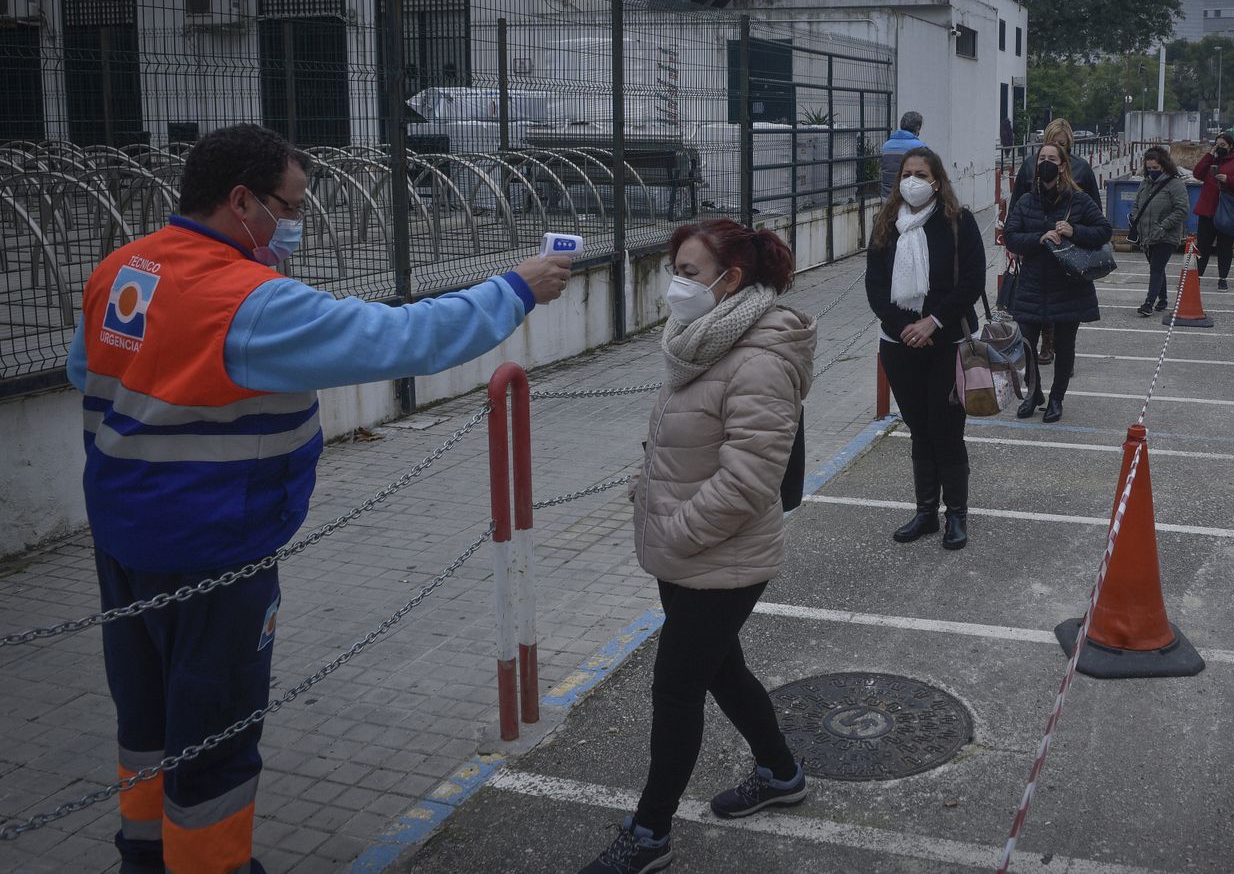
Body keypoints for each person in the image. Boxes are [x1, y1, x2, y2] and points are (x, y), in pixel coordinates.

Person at [65, 124, 575, 874]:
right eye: (292, 205)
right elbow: (406, 339)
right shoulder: (249, 301)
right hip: (215, 556)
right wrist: (517, 289)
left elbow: (89, 376)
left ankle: (142, 859)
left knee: (146, 721)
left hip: (121, 541)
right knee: (216, 738)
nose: (299, 222)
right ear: (242, 202)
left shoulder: (120, 268)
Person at [585, 219, 816, 874]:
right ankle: (781, 772)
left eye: (687, 272)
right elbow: (681, 439)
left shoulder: (759, 360)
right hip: (688, 546)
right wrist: (646, 488)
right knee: (722, 669)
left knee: (677, 687)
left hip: (722, 555)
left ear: (730, 279)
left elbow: (748, 481)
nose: (675, 284)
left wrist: (676, 529)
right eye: (674, 270)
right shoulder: (703, 342)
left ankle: (650, 834)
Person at [865, 147, 985, 550]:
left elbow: (971, 281)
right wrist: (904, 328)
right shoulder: (886, 223)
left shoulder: (958, 222)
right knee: (919, 430)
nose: (913, 180)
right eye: (907, 173)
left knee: (947, 431)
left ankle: (957, 516)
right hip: (899, 344)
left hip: (946, 341)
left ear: (937, 180)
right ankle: (925, 512)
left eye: (922, 173)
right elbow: (876, 288)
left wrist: (931, 321)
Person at [1003, 142, 1111, 424]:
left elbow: (1104, 231)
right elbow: (1011, 236)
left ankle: (1056, 399)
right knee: (1026, 343)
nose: (1046, 163)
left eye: (1052, 158)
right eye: (1042, 158)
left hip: (1068, 286)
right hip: (1032, 284)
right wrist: (1039, 238)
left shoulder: (1079, 200)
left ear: (1063, 165)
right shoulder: (1027, 200)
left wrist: (1075, 230)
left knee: (1064, 347)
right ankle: (1034, 393)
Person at [1008, 119, 1101, 368]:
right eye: (1052, 142)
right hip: (1037, 248)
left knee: (1066, 311)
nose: (1056, 148)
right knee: (1036, 309)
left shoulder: (1082, 169)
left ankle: (1060, 349)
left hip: (1069, 252)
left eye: (1062, 143)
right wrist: (1017, 246)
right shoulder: (1030, 166)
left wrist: (1078, 232)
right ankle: (1045, 346)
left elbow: (1096, 213)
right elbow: (1017, 205)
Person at [1191, 132, 1234, 291]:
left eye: (1222, 145)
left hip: (1228, 211)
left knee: (1225, 246)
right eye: (1217, 145)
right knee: (1203, 246)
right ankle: (1197, 277)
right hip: (1208, 210)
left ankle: (1222, 278)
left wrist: (1228, 179)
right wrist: (1209, 155)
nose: (1219, 148)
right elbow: (1197, 173)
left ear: (1231, 146)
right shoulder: (1211, 161)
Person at [1130, 147, 1190, 313]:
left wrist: (1164, 225)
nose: (1152, 171)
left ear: (1164, 165)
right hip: (1147, 235)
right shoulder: (1145, 183)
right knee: (1157, 268)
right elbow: (1136, 205)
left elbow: (1182, 210)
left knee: (1156, 267)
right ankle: (1162, 300)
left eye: (1155, 168)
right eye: (1149, 168)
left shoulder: (1175, 184)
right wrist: (1135, 219)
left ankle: (1148, 303)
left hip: (1166, 236)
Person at [881, 111, 928, 197]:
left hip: (887, 197)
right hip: (909, 198)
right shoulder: (920, 148)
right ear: (917, 128)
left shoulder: (886, 146)